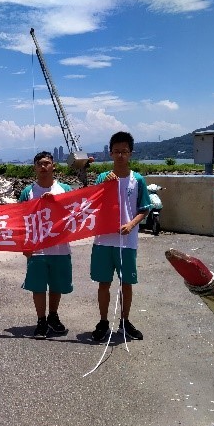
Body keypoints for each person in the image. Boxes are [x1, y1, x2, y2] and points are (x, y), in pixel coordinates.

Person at [90, 131, 151, 341]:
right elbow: (92, 204)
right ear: (111, 153)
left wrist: (132, 224)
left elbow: (145, 208)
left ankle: (125, 321)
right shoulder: (102, 177)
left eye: (124, 151)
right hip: (103, 240)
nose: (120, 156)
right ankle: (103, 321)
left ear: (131, 153)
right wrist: (105, 185)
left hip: (127, 241)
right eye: (116, 151)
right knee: (103, 283)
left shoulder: (137, 180)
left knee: (127, 283)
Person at [19, 151, 73, 339]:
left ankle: (53, 315)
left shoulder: (64, 189)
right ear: (34, 167)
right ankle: (41, 320)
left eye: (47, 163)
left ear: (53, 166)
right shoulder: (28, 192)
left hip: (60, 246)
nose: (43, 167)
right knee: (38, 286)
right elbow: (20, 219)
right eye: (40, 164)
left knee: (57, 285)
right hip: (37, 248)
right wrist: (25, 245)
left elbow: (74, 213)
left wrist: (55, 204)